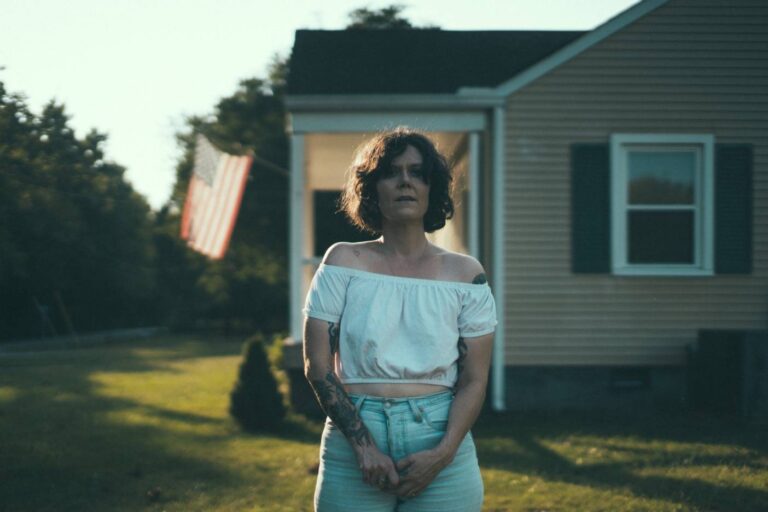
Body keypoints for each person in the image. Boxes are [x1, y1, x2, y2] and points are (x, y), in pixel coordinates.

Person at [302, 127, 497, 512]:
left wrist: (442, 454)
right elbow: (318, 366)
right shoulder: (342, 262)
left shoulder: (466, 275)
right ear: (373, 188)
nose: (405, 181)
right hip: (353, 439)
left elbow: (474, 379)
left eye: (417, 172)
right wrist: (365, 448)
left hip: (440, 436)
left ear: (432, 187)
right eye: (392, 172)